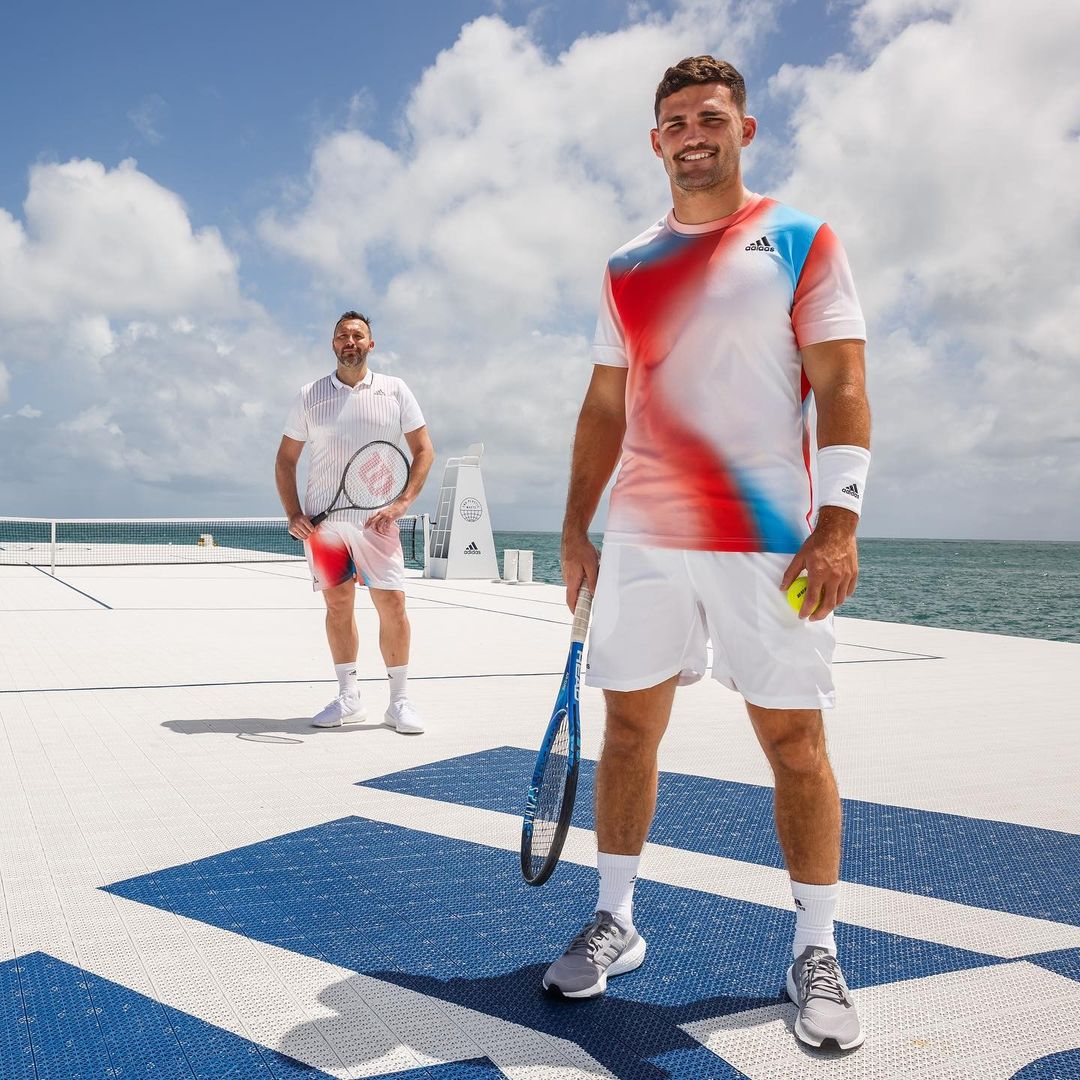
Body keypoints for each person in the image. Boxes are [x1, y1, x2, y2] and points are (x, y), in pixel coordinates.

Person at [548, 56, 871, 1052]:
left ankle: (815, 949)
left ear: (745, 129)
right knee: (630, 735)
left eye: (710, 116)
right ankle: (616, 918)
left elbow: (844, 382)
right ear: (656, 140)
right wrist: (575, 524)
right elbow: (607, 403)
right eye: (675, 119)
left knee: (794, 745)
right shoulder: (624, 265)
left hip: (770, 542)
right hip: (644, 535)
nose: (693, 132)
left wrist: (840, 517)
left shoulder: (801, 241)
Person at [275, 311, 435, 734]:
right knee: (338, 606)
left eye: (358, 335)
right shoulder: (310, 395)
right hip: (324, 529)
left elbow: (424, 450)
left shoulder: (395, 391)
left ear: (371, 344)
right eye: (343, 335)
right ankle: (349, 698)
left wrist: (402, 503)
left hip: (377, 524)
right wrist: (293, 512)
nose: (350, 341)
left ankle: (399, 703)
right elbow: (286, 458)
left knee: (392, 605)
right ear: (333, 344)